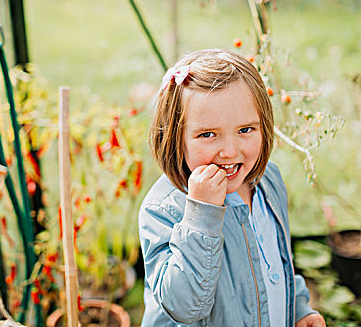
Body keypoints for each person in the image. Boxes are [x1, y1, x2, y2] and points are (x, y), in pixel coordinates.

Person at [138, 49, 326, 326]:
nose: (229, 151)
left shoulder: (268, 181)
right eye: (208, 134)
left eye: (246, 130)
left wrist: (298, 310)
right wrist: (201, 216)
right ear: (175, 137)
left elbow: (277, 261)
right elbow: (184, 306)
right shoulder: (164, 208)